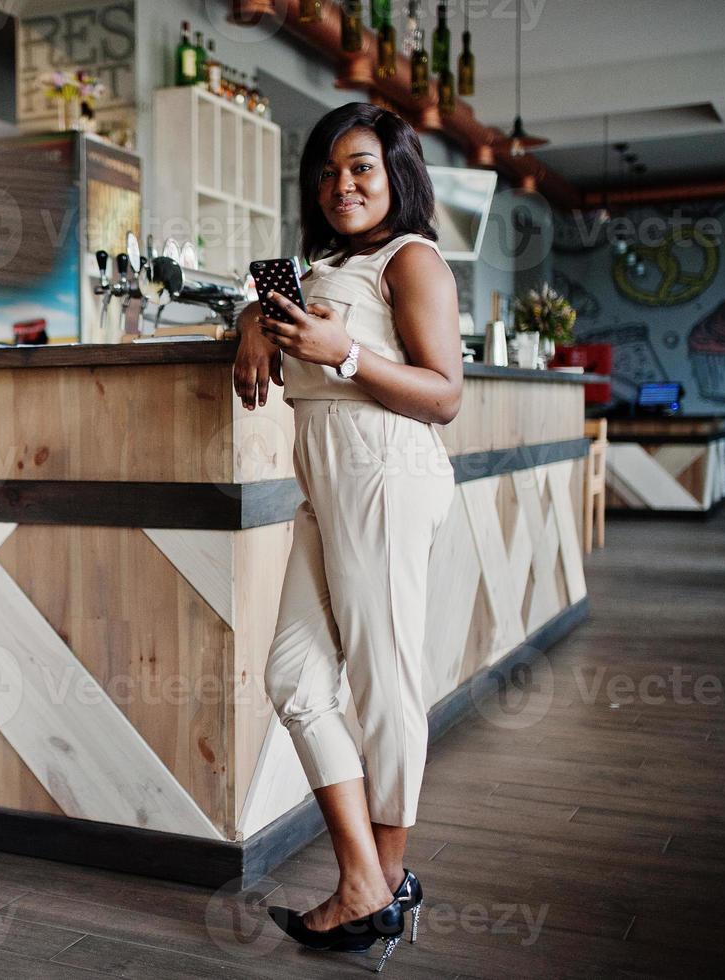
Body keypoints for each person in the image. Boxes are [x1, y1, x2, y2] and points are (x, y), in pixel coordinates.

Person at [233, 102, 461, 971]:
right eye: (327, 172)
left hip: (386, 474)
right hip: (327, 481)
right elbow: (303, 331)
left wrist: (342, 355)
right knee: (294, 674)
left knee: (383, 678)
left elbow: (444, 394)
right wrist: (256, 322)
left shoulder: (412, 260)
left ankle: (383, 880)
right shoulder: (327, 265)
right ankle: (367, 881)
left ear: (396, 173)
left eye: (360, 166)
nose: (342, 185)